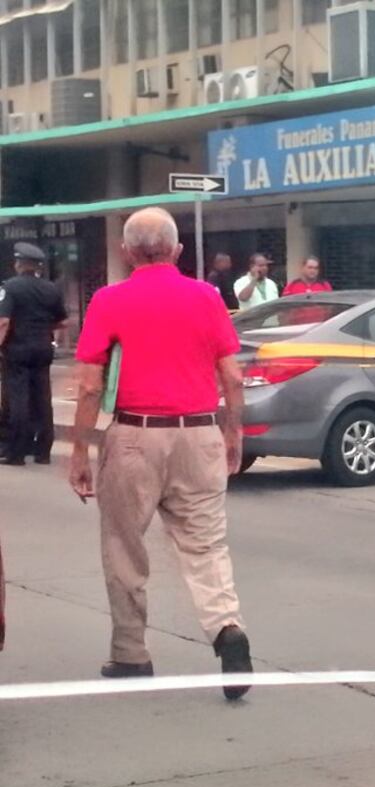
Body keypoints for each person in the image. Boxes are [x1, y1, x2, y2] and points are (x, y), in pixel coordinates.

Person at [68, 207, 253, 700]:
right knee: (206, 545)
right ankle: (226, 629)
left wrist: (80, 452)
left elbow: (89, 385)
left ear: (126, 252)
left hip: (134, 436)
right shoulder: (207, 297)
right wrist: (232, 434)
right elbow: (232, 377)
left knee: (125, 546)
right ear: (177, 251)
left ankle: (131, 654)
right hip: (199, 434)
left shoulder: (110, 300)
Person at [0, 242, 66, 465]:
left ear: (19, 264)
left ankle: (16, 452)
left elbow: (4, 322)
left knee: (17, 399)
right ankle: (43, 451)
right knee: (42, 398)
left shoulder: (10, 287)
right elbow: (61, 321)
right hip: (43, 348)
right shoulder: (51, 289)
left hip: (17, 349)